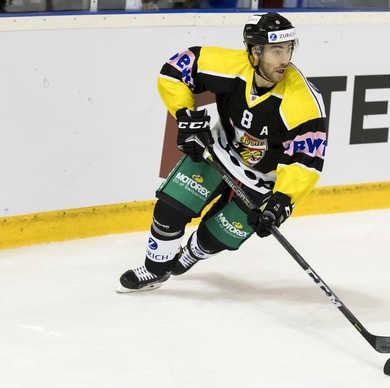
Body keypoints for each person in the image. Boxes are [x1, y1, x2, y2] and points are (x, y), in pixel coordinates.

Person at [118, 12, 327, 293]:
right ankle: (155, 270)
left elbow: (306, 159)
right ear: (254, 51)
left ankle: (195, 250)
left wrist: (281, 202)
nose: (284, 59)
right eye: (276, 50)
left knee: (217, 236)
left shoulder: (303, 102)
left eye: (289, 49)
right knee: (170, 209)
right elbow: (175, 71)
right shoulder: (229, 66)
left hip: (263, 180)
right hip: (217, 151)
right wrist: (184, 115)